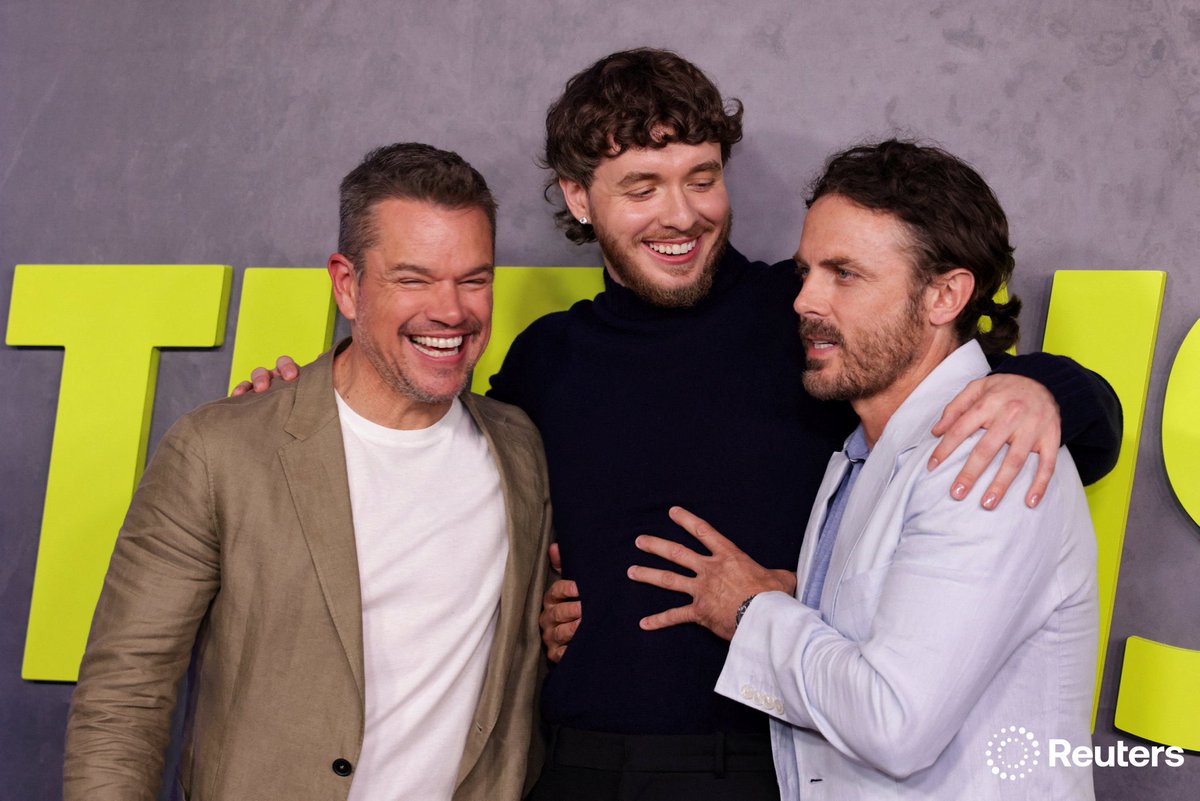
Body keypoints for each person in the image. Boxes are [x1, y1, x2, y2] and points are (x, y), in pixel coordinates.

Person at [240, 50, 1120, 801]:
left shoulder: (810, 317)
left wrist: (1047, 391)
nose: (682, 213)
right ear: (579, 198)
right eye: (643, 187)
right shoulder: (546, 359)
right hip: (572, 761)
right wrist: (305, 409)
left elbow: (981, 387)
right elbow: (426, 457)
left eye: (702, 178)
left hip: (765, 760)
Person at [64, 143, 553, 801]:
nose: (452, 311)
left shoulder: (520, 449)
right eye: (413, 278)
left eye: (474, 278)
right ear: (347, 284)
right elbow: (125, 690)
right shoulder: (220, 450)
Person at [629, 140, 1098, 799]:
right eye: (807, 271)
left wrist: (751, 608)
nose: (804, 301)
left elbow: (895, 725)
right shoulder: (862, 453)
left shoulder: (990, 456)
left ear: (944, 295)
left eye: (844, 273)